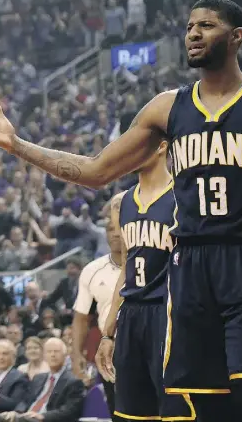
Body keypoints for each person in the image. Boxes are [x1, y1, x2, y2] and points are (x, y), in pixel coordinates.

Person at [0, 0, 242, 421]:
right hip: (191, 270)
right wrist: (18, 146)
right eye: (189, 26)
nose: (194, 33)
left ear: (236, 37)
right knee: (199, 404)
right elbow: (94, 170)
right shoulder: (167, 107)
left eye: (207, 26)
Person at [95, 141, 190, 420]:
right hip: (131, 315)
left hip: (168, 313)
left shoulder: (182, 195)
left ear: (161, 146)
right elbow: (125, 267)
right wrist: (107, 333)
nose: (128, 151)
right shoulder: (121, 202)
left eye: (136, 143)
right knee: (131, 414)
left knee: (173, 411)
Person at [71, 214, 122, 420]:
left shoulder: (153, 262)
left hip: (150, 344)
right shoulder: (92, 270)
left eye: (121, 227)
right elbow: (81, 318)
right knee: (116, 410)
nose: (116, 233)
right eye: (110, 229)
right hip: (110, 348)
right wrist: (76, 354)